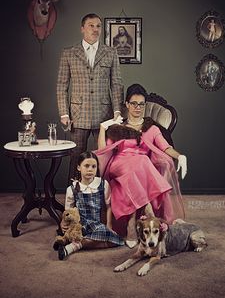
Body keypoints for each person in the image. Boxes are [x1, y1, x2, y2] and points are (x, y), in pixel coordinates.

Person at [95, 84, 187, 248]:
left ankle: (132, 222)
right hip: (119, 164)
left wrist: (180, 156)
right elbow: (103, 150)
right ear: (127, 104)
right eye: (134, 103)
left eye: (141, 104)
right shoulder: (118, 127)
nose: (138, 107)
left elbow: (165, 147)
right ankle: (149, 212)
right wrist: (103, 129)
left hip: (139, 170)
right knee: (142, 162)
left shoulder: (151, 128)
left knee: (142, 161)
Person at [57, 13, 124, 179]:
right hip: (78, 115)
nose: (95, 29)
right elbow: (61, 85)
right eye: (91, 25)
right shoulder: (69, 53)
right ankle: (72, 198)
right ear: (82, 29)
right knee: (76, 158)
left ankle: (103, 197)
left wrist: (117, 111)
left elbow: (116, 83)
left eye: (98, 26)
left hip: (104, 117)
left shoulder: (110, 52)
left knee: (104, 157)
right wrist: (64, 113)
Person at [56, 151, 124, 260]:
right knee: (83, 235)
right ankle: (75, 244)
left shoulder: (102, 184)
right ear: (79, 167)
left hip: (96, 224)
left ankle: (76, 245)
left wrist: (109, 225)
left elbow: (108, 206)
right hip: (80, 224)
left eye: (94, 166)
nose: (90, 169)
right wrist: (63, 222)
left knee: (116, 241)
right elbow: (68, 212)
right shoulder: (72, 188)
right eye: (86, 166)